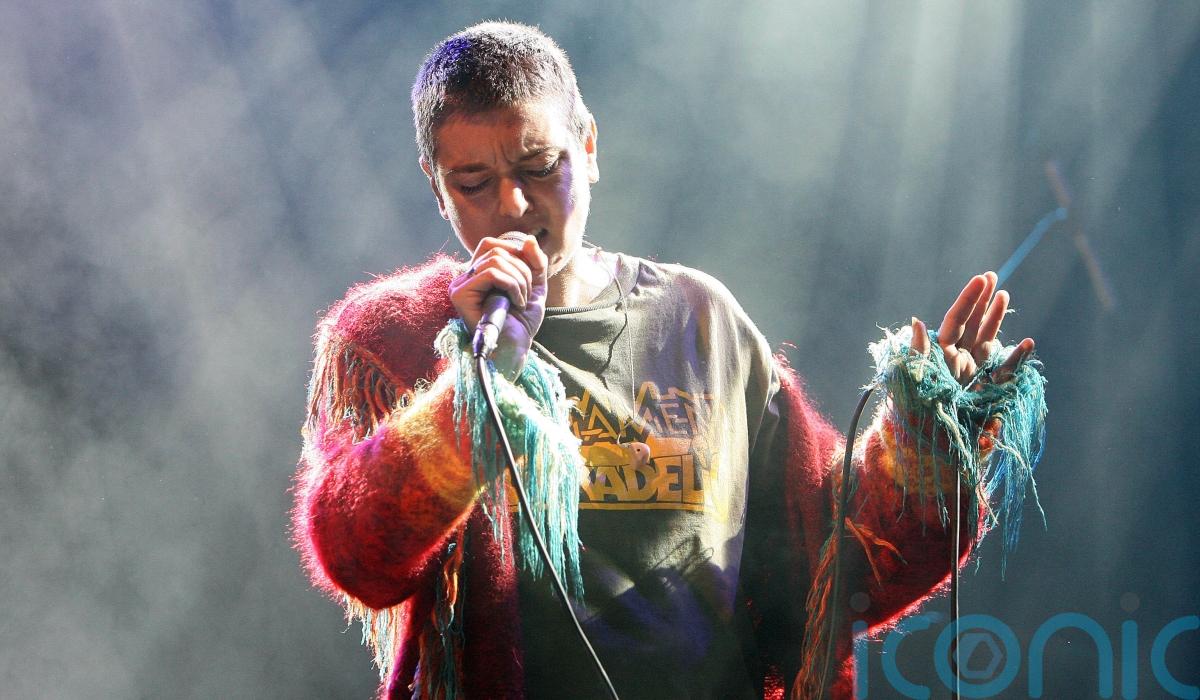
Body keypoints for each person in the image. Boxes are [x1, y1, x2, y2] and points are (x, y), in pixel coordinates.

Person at [292, 21, 1044, 700]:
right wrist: (474, 392)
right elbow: (353, 555)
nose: (513, 204)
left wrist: (929, 429)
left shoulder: (699, 316)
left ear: (589, 147)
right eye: (474, 183)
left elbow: (832, 561)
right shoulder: (392, 338)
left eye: (539, 164)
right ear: (437, 187)